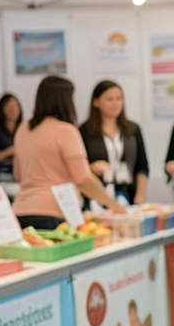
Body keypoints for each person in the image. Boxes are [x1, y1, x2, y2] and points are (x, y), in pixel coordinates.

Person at [13, 76, 123, 230]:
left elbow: (18, 175)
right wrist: (113, 204)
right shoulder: (66, 131)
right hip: (54, 212)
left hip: (20, 211)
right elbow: (83, 179)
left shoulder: (23, 129)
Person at [81, 80, 150, 206]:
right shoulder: (84, 131)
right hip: (98, 195)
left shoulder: (132, 130)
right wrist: (91, 168)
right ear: (96, 102)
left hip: (128, 192)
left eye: (119, 98)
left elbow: (142, 166)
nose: (115, 103)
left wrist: (140, 196)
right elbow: (77, 168)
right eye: (109, 99)